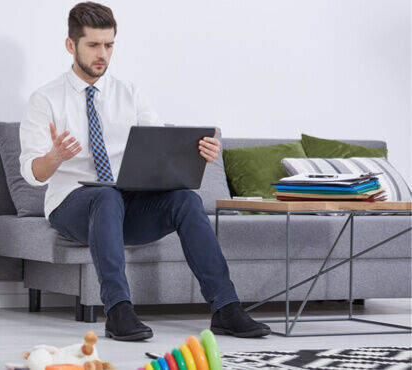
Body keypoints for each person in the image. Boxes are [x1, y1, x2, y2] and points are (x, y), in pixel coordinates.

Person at [19, 1, 271, 341]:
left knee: (185, 200)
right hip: (72, 205)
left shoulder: (130, 93)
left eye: (109, 45)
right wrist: (55, 156)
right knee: (105, 197)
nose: (102, 54)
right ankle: (118, 310)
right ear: (70, 45)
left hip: (128, 204)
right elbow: (32, 173)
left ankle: (226, 308)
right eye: (93, 45)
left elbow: (161, 149)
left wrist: (199, 153)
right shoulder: (45, 99)